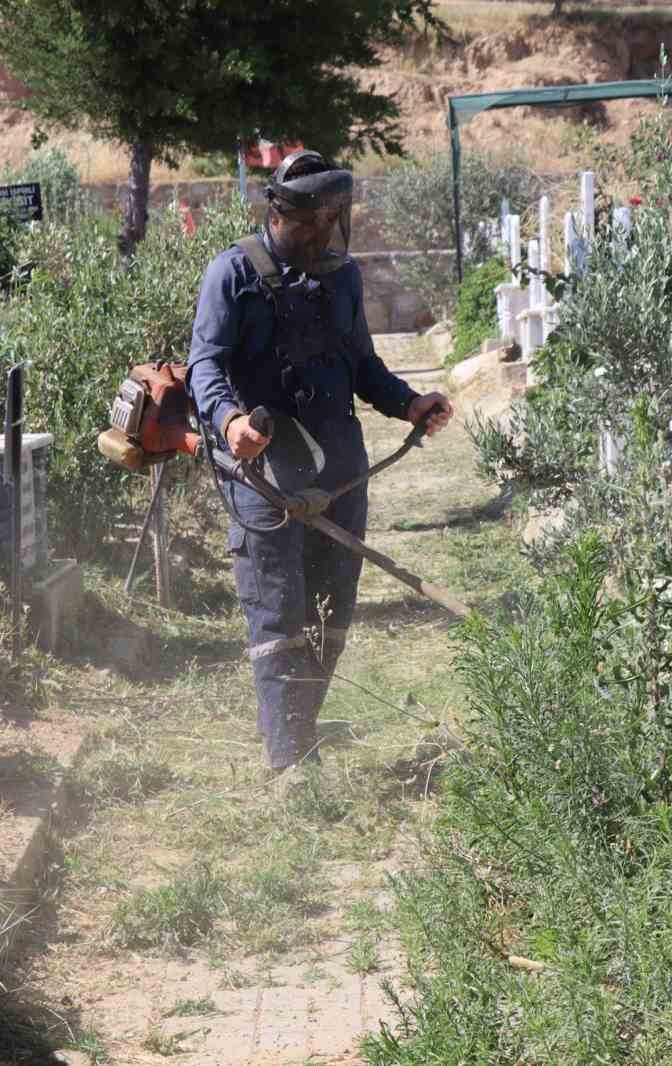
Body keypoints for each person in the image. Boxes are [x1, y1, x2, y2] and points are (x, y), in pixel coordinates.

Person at [187, 150, 453, 776]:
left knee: (330, 615)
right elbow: (206, 365)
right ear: (277, 214)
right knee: (278, 616)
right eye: (306, 221)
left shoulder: (343, 277)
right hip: (264, 481)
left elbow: (362, 366)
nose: (317, 233)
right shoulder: (231, 274)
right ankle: (288, 765)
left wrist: (410, 404)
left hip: (341, 476)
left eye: (328, 220)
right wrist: (229, 422)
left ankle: (297, 734)